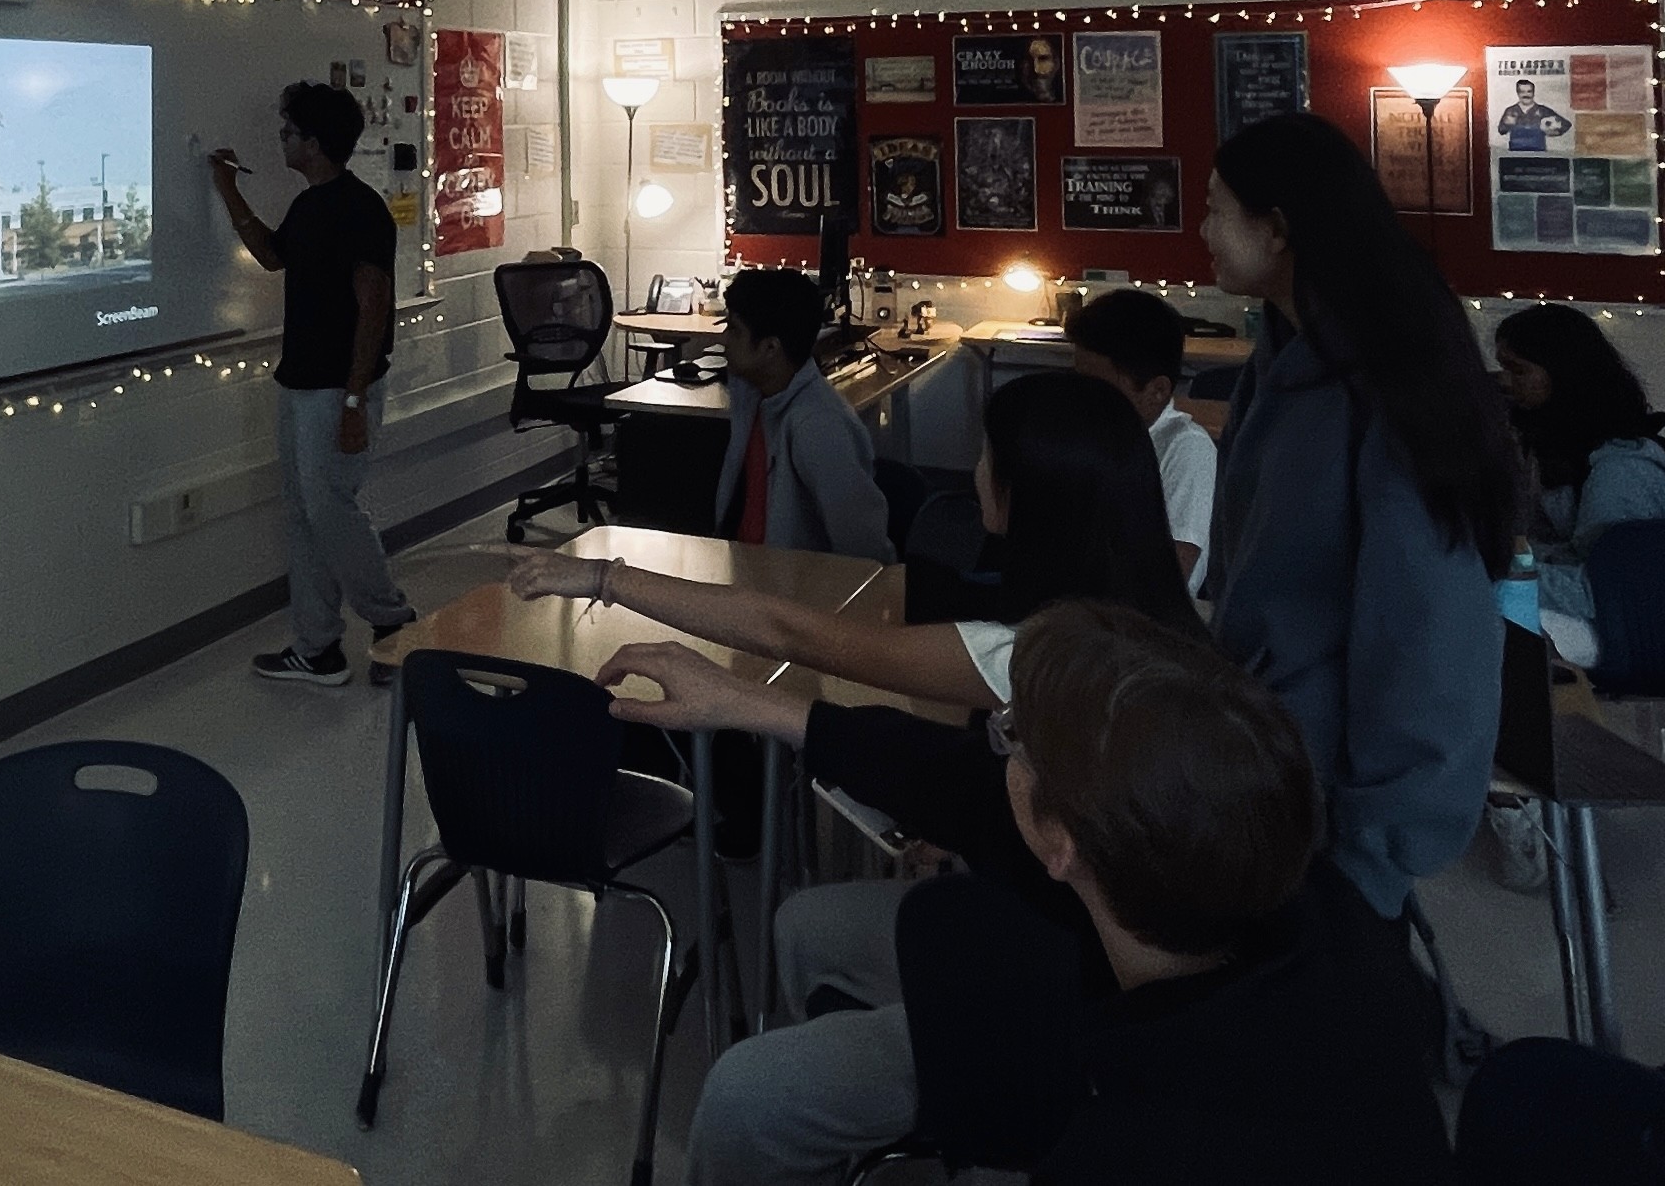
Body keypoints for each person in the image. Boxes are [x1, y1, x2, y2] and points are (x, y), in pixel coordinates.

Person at [515, 373, 1191, 1186]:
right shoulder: (1153, 630)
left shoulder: (1043, 658)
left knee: (741, 1096)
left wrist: (613, 585)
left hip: (1066, 1012)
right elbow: (979, 793)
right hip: (1053, 943)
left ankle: (905, 1100)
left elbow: (790, 634)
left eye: (985, 454)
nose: (973, 469)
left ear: (1025, 495)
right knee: (807, 924)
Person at [588, 601, 1450, 1186]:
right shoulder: (1237, 860)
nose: (999, 751)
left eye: (1012, 738)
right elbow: (957, 784)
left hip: (1091, 1069)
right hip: (1089, 1016)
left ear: (1062, 843)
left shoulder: (1148, 1149)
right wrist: (754, 706)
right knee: (811, 926)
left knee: (748, 1091)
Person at [1199, 110, 1517, 921]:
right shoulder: (1279, 360)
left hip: (1330, 811)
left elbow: (1429, 631)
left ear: (1277, 230)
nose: (1201, 232)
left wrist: (1375, 856)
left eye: (1214, 210)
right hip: (1265, 768)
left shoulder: (1384, 387)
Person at [216, 80, 417, 686]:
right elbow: (273, 255)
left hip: (338, 389)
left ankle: (394, 622)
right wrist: (229, 191)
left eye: (289, 132)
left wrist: (354, 400)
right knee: (304, 513)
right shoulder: (310, 205)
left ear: (315, 142)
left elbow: (374, 306)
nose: (281, 139)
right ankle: (317, 647)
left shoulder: (360, 210)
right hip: (300, 383)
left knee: (330, 509)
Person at [1490, 303, 1665, 669]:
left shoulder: (1621, 468)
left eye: (1518, 370)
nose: (1505, 382)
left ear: (1562, 374)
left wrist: (1496, 573)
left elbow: (1607, 588)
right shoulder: (1561, 453)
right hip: (1593, 618)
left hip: (1619, 630)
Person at [708, 267, 895, 562]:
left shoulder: (818, 426)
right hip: (749, 573)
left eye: (734, 329)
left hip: (791, 585)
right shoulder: (755, 397)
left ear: (770, 347)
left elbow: (863, 552)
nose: (724, 339)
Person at [1064, 287, 1216, 593]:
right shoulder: (1099, 437)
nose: (1082, 400)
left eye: (1099, 390)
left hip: (1139, 616)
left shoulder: (1187, 449)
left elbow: (1170, 575)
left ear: (1156, 391)